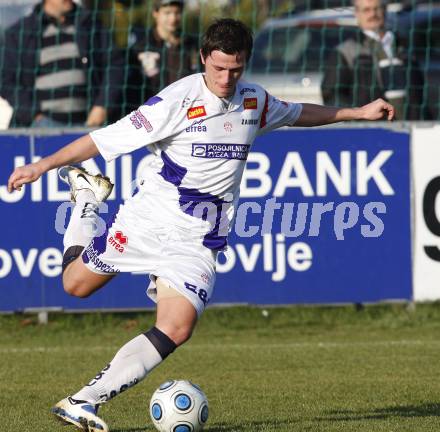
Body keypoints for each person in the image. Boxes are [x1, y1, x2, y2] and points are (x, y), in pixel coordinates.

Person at [7, 18, 394, 432]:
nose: (226, 78)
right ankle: (86, 202)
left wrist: (357, 112)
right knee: (75, 286)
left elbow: (298, 113)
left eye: (236, 69)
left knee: (178, 326)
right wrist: (42, 165)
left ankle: (84, 401)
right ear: (204, 58)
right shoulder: (176, 100)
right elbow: (104, 139)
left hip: (198, 238)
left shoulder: (253, 100)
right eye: (219, 68)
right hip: (148, 221)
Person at [0, 0, 124, 128]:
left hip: (88, 124)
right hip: (41, 126)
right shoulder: (20, 32)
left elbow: (115, 66)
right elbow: (6, 81)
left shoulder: (91, 25)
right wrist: (34, 116)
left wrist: (102, 106)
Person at [321, 0, 426, 120]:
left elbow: (420, 90)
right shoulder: (345, 52)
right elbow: (332, 96)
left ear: (385, 10)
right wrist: (357, 118)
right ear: (357, 13)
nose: (373, 14)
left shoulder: (404, 46)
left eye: (377, 9)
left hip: (411, 125)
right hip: (370, 129)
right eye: (366, 10)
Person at [123, 0, 199, 114]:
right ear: (155, 13)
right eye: (167, 13)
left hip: (184, 114)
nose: (173, 18)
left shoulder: (192, 46)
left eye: (177, 13)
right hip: (149, 115)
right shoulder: (140, 47)